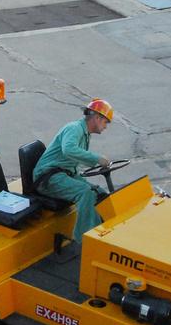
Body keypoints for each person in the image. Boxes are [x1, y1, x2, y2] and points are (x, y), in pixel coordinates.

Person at [31, 99, 114, 244]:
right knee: (86, 193)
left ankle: (107, 232)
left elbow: (73, 161)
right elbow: (68, 149)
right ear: (97, 118)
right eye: (105, 122)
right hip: (49, 178)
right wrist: (97, 158)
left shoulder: (85, 134)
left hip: (64, 174)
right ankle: (85, 242)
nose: (106, 127)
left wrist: (96, 163)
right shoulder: (74, 128)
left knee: (100, 193)